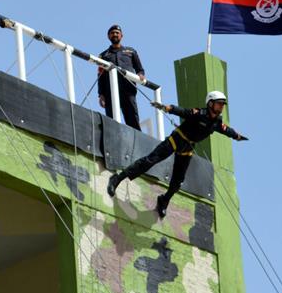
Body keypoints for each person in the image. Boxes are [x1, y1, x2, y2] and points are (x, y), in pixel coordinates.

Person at [106, 91, 249, 218]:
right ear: (210, 103)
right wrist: (169, 108)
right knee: (150, 161)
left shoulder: (217, 123)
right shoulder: (200, 113)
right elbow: (184, 112)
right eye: (219, 104)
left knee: (177, 182)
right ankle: (117, 178)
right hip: (176, 139)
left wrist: (237, 136)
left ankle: (164, 200)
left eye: (222, 105)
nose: (221, 107)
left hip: (187, 148)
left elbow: (226, 130)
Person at [97, 24, 146, 130]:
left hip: (128, 90)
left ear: (121, 35)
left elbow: (140, 69)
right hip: (110, 92)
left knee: (132, 119)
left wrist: (140, 75)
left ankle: (137, 141)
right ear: (108, 36)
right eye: (112, 33)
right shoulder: (103, 56)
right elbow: (100, 76)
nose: (115, 34)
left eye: (117, 33)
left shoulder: (131, 52)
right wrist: (101, 94)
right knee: (111, 122)